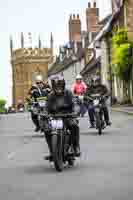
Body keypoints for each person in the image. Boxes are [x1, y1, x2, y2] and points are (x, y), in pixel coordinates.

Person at [45, 74, 80, 160]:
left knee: (74, 125)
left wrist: (75, 111)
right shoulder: (50, 96)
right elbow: (46, 108)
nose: (58, 88)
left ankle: (75, 146)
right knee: (46, 130)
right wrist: (44, 114)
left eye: (60, 85)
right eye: (56, 86)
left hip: (68, 116)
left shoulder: (68, 93)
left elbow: (75, 104)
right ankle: (52, 151)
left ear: (63, 85)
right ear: (53, 86)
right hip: (55, 118)